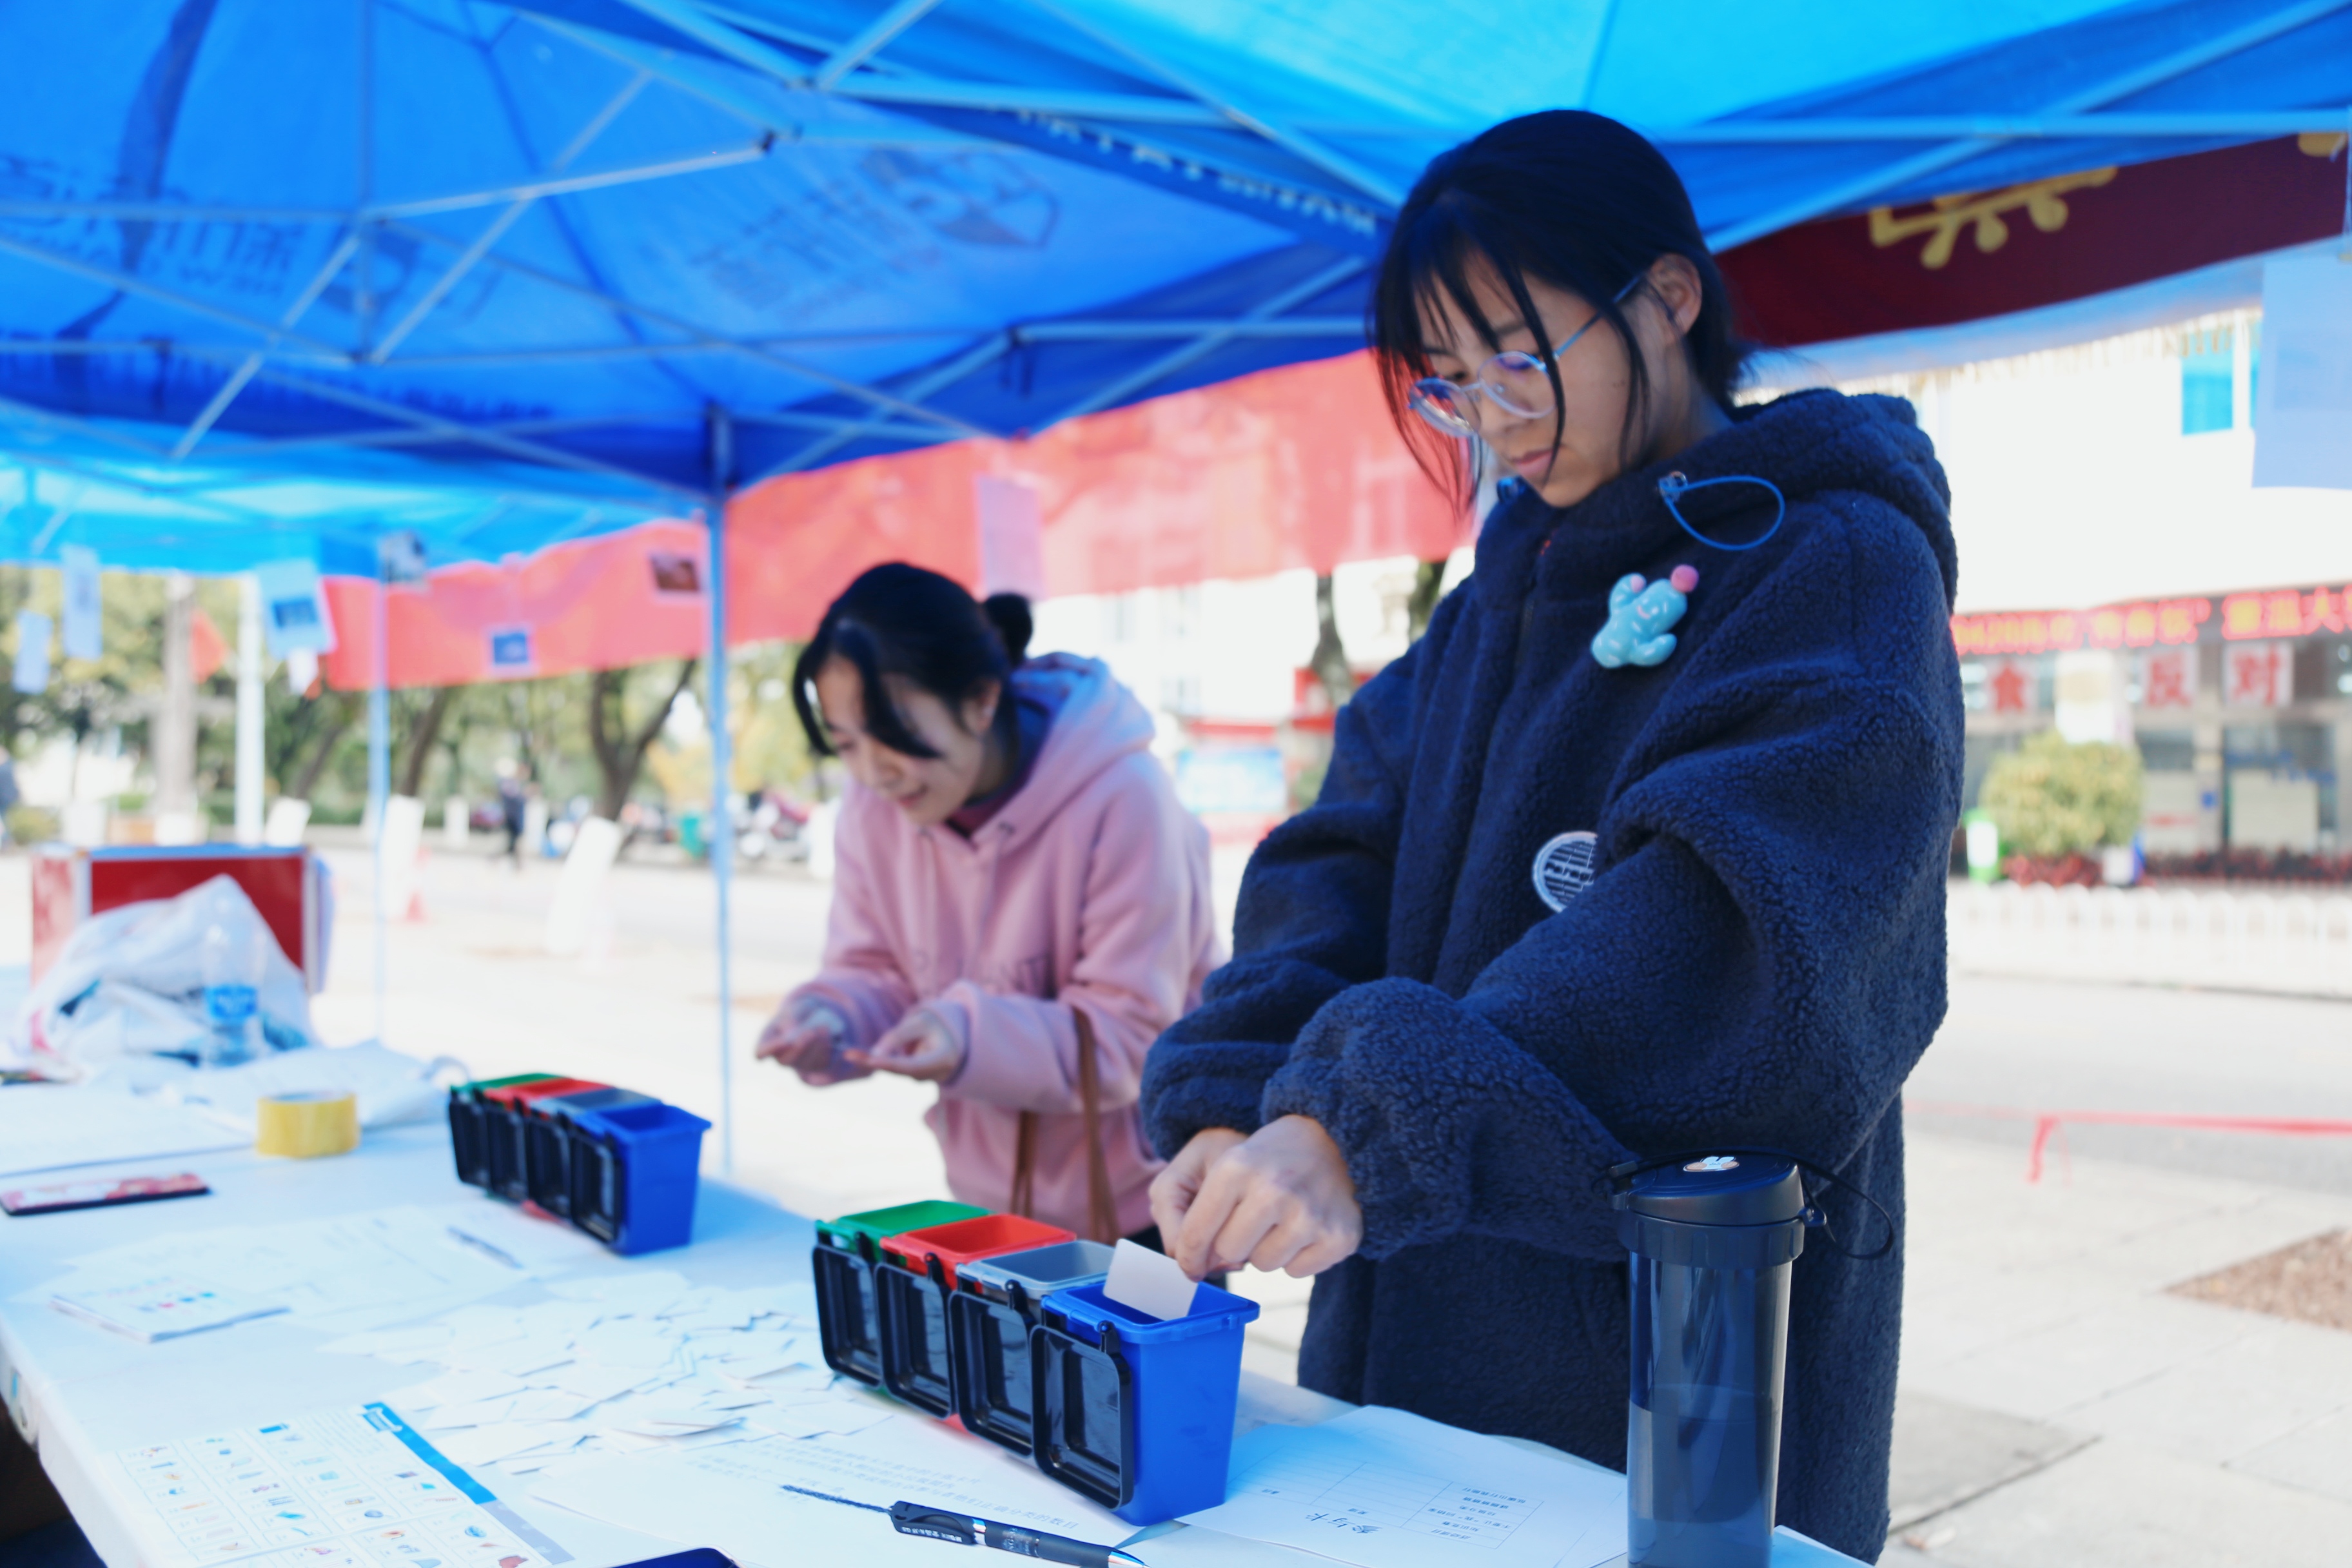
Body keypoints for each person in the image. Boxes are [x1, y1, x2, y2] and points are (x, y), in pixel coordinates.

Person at [1139, 110, 1962, 1560]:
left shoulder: (1833, 566)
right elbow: (1335, 866)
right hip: (1411, 1356)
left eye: (1518, 355)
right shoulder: (1489, 606)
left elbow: (1730, 939)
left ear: (1668, 297)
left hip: (1686, 1383)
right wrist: (1232, 1096)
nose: (1492, 415)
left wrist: (1364, 1122)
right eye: (1448, 379)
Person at [760, 564, 1220, 1242]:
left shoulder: (1125, 796)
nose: (873, 771)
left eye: (892, 730)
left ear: (980, 699)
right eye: (847, 742)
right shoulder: (872, 807)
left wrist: (967, 1035)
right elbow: (877, 970)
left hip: (1150, 1210)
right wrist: (831, 1019)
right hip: (985, 1210)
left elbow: (1129, 1040)